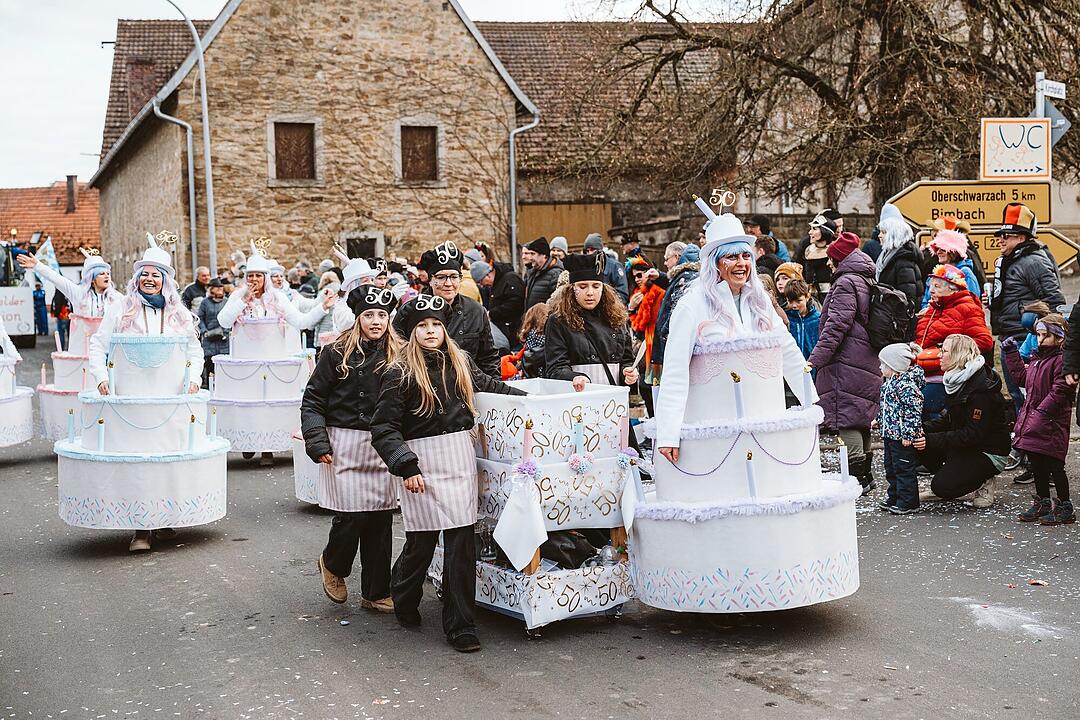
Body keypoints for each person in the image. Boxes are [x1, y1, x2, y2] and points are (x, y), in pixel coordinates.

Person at [371, 294, 525, 653]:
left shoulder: (460, 363)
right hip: (420, 465)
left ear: (445, 329)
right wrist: (405, 465)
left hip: (458, 460)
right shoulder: (399, 373)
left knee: (461, 545)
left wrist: (530, 397)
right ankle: (403, 593)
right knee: (421, 543)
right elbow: (384, 428)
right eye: (422, 326)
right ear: (410, 332)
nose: (430, 331)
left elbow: (490, 385)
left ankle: (460, 625)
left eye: (436, 324)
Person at [655, 212, 815, 465]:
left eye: (745, 256)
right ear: (715, 263)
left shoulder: (759, 300)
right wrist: (668, 433)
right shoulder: (692, 304)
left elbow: (788, 350)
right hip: (714, 430)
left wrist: (811, 404)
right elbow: (675, 370)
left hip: (762, 424)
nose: (741, 264)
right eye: (731, 257)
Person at [88, 234, 201, 552]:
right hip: (132, 402)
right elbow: (98, 344)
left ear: (165, 280)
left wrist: (193, 378)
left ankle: (164, 517)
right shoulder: (120, 308)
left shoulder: (178, 313)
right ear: (137, 278)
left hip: (168, 402)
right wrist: (101, 378)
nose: (150, 280)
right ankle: (141, 528)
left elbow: (194, 350)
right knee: (139, 461)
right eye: (145, 274)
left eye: (156, 275)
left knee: (165, 460)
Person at [303, 286, 402, 613]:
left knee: (380, 518)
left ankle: (375, 591)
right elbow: (314, 399)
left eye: (382, 316)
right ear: (358, 318)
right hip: (343, 443)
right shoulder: (335, 353)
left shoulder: (399, 353)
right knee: (352, 515)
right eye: (369, 315)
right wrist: (317, 440)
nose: (376, 322)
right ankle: (333, 563)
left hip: (382, 443)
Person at [218, 244, 336, 464]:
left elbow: (302, 322)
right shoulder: (237, 297)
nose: (254, 280)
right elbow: (223, 321)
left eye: (258, 276)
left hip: (272, 363)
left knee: (268, 407)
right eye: (250, 276)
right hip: (245, 364)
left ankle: (267, 450)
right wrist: (242, 301)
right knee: (248, 406)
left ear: (266, 278)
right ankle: (250, 442)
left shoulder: (279, 298)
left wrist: (323, 308)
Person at [807, 231, 880, 494]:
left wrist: (815, 360)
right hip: (866, 357)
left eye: (831, 258)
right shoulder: (866, 279)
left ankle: (857, 480)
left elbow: (836, 326)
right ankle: (867, 478)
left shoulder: (845, 283)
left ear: (840, 259)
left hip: (845, 360)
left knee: (845, 418)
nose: (828, 263)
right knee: (860, 417)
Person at [914, 334, 1012, 506]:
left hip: (988, 450)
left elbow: (973, 434)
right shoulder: (957, 379)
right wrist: (920, 429)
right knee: (917, 441)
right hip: (969, 445)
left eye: (944, 351)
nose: (938, 355)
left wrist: (930, 440)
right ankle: (955, 475)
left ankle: (983, 480)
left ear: (958, 355)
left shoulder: (981, 391)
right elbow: (949, 419)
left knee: (942, 486)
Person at [988, 203, 1065, 414]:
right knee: (1017, 396)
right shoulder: (1010, 260)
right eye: (1001, 234)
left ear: (1022, 238)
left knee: (1029, 397)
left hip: (1027, 340)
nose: (1001, 239)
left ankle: (1032, 443)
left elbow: (1054, 300)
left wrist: (1039, 333)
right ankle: (1024, 440)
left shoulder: (1033, 261)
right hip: (1011, 339)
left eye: (1007, 235)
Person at [1002, 314, 1075, 524]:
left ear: (1059, 338)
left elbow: (1060, 390)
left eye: (1046, 336)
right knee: (1037, 463)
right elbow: (1023, 380)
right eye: (1039, 335)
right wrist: (1012, 354)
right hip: (1035, 419)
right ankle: (1042, 501)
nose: (1040, 340)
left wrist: (1042, 412)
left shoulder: (1060, 361)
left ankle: (1064, 505)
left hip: (1051, 422)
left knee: (1054, 465)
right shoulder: (1036, 360)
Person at [395, 241, 500, 378]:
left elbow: (488, 358)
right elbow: (396, 355)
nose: (448, 284)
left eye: (454, 277)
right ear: (430, 280)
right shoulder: (410, 310)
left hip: (467, 390)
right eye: (441, 277)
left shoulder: (475, 311)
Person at [544, 253, 638, 391]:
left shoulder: (617, 317)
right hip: (578, 400)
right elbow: (555, 368)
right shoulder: (558, 320)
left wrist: (628, 373)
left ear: (603, 288)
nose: (590, 292)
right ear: (572, 288)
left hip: (614, 399)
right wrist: (574, 377)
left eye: (596, 286)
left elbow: (626, 360)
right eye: (583, 287)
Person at [915, 265, 994, 423]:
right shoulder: (932, 309)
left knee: (928, 410)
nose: (931, 290)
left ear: (953, 289)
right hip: (924, 373)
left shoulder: (968, 309)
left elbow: (984, 341)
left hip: (947, 377)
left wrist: (951, 349)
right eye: (931, 286)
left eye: (937, 286)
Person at [874, 343, 925, 514]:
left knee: (903, 468)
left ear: (895, 367)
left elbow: (913, 411)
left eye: (884, 364)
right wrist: (879, 420)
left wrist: (909, 433)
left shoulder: (905, 386)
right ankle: (895, 495)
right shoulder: (889, 384)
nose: (880, 367)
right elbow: (887, 408)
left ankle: (908, 501)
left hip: (902, 435)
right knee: (891, 467)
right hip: (890, 433)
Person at [17, 247, 122, 318]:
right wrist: (37, 266)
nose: (106, 276)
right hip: (83, 347)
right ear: (92, 279)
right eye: (101, 273)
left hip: (110, 347)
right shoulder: (79, 293)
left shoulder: (116, 297)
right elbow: (57, 278)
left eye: (108, 273)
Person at [651, 243, 700, 383]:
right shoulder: (686, 276)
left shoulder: (685, 278)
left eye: (667, 259)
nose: (665, 263)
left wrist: (664, 332)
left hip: (675, 345)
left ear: (678, 257)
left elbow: (676, 314)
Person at [875, 203, 924, 329]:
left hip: (898, 327)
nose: (879, 235)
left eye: (883, 232)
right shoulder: (887, 256)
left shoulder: (903, 261)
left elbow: (908, 299)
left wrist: (897, 325)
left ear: (894, 233)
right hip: (888, 321)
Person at [628, 257, 665, 416]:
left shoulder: (659, 292)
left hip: (657, 345)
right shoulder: (636, 295)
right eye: (634, 276)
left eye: (640, 275)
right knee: (645, 387)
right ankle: (652, 423)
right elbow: (636, 326)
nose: (637, 279)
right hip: (645, 346)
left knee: (654, 388)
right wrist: (632, 308)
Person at [918, 230, 980, 309]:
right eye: (937, 249)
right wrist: (927, 311)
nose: (938, 252)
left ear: (954, 252)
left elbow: (972, 305)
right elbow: (926, 301)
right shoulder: (936, 273)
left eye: (943, 249)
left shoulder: (965, 273)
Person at [471, 259, 525, 349]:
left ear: (487, 275)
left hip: (514, 332)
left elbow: (515, 304)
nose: (481, 285)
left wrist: (492, 313)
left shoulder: (510, 279)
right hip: (507, 332)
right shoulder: (498, 282)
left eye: (480, 282)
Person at [196, 278, 229, 387]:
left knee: (223, 363)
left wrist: (225, 331)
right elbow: (199, 317)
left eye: (221, 287)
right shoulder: (205, 302)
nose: (219, 289)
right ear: (211, 289)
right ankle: (210, 385)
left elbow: (231, 318)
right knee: (209, 363)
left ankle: (223, 386)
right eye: (217, 287)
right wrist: (204, 331)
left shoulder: (227, 302)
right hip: (209, 338)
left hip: (223, 339)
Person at [583, 233, 629, 303]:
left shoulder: (614, 266)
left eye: (592, 250)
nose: (589, 253)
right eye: (587, 250)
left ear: (600, 250)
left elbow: (622, 293)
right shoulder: (585, 266)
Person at [799, 214, 837, 296]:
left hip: (830, 295)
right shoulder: (806, 248)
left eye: (815, 229)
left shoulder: (836, 251)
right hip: (810, 295)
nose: (810, 232)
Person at [783, 279, 820, 360]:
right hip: (791, 367)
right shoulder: (784, 319)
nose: (794, 305)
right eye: (790, 301)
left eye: (798, 301)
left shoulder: (818, 319)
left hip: (812, 368)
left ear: (807, 297)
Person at [523, 237, 563, 310]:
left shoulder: (555, 274)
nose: (530, 257)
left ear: (544, 255)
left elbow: (556, 304)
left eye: (533, 254)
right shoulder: (533, 271)